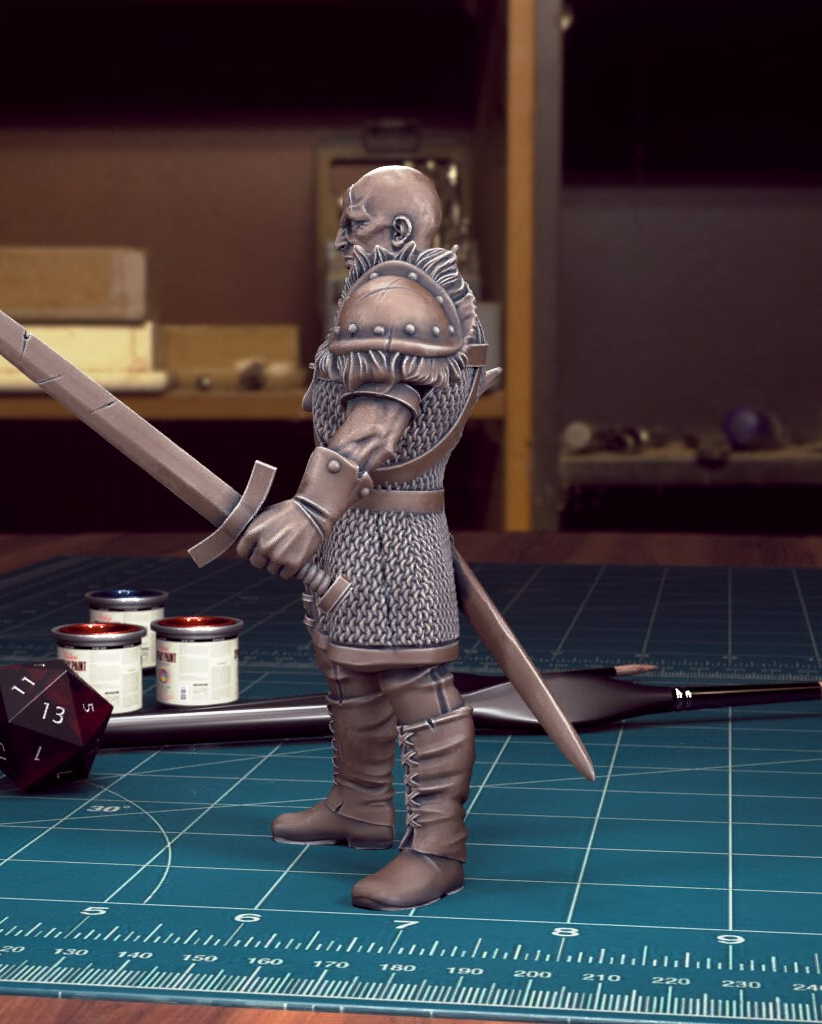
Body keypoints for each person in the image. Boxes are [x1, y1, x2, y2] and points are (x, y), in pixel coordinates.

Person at [236, 165, 491, 911]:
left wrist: (310, 511)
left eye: (355, 224)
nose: (342, 239)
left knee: (414, 682)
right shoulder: (414, 293)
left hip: (393, 530)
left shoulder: (395, 303)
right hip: (364, 523)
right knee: (348, 668)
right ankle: (361, 805)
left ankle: (438, 849)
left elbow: (375, 424)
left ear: (400, 231)